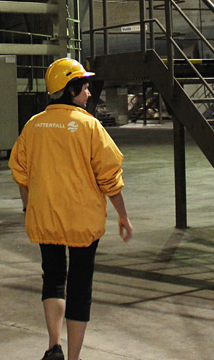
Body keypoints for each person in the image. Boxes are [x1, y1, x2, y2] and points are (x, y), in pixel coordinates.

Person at [9, 58, 133, 360]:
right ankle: (74, 358)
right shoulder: (90, 126)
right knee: (80, 285)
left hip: (45, 217)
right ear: (71, 88)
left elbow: (20, 173)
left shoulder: (33, 125)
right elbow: (109, 178)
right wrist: (123, 215)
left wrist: (30, 209)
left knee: (52, 277)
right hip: (82, 221)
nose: (89, 93)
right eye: (85, 87)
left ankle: (54, 346)